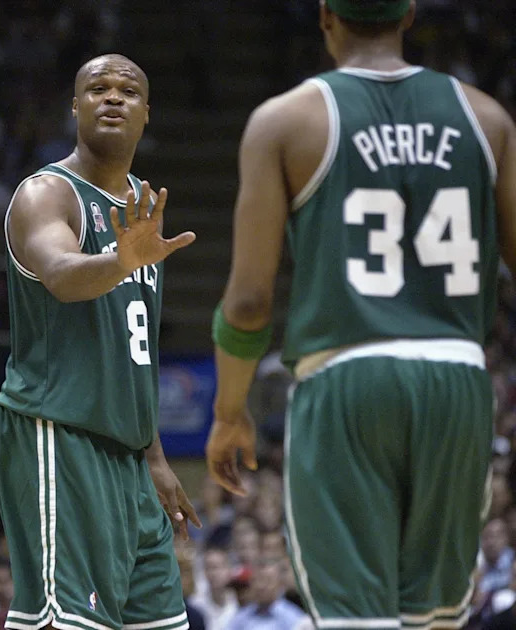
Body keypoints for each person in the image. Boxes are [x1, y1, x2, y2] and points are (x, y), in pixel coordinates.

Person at [207, 0, 516, 628]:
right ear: (409, 15)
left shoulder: (285, 121)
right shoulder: (487, 119)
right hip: (456, 378)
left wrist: (230, 410)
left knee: (356, 620)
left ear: (324, 16)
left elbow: (248, 301)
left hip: (346, 377)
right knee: (434, 619)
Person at [0, 53, 200, 630]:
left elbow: (135, 348)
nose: (113, 97)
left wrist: (153, 455)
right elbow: (60, 275)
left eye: (128, 90)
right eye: (98, 88)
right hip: (59, 431)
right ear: (75, 106)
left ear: (147, 112)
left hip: (128, 454)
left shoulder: (140, 206)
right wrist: (118, 257)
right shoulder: (47, 194)